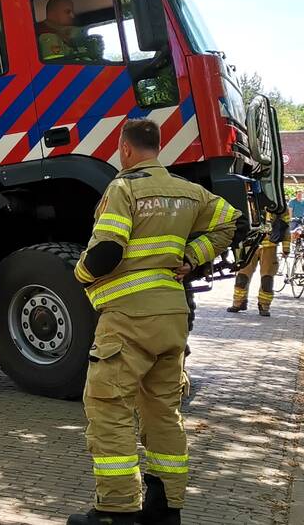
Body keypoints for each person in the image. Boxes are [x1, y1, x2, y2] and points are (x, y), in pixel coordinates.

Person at [68, 119, 240, 525]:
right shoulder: (189, 191)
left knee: (108, 407)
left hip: (128, 320)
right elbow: (231, 221)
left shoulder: (123, 188)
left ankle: (117, 510)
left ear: (125, 148)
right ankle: (166, 508)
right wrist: (193, 256)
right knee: (163, 410)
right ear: (156, 147)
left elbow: (107, 250)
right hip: (171, 318)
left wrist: (79, 274)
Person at [227, 209, 290, 316]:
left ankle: (264, 306)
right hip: (248, 244)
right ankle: (238, 303)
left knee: (267, 279)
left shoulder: (277, 204)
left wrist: (286, 247)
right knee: (242, 276)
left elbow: (285, 227)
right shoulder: (245, 199)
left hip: (269, 246)